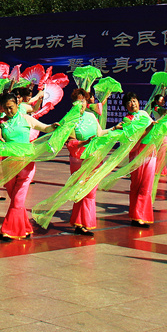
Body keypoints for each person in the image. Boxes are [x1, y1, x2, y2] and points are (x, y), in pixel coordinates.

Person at [0, 96, 55, 240]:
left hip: (26, 164)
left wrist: (54, 127)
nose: (9, 111)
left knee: (18, 200)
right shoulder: (1, 122)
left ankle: (8, 230)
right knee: (15, 199)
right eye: (6, 108)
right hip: (8, 164)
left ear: (17, 104)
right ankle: (25, 228)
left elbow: (44, 127)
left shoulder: (26, 119)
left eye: (11, 107)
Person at [67, 89, 103, 236]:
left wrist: (115, 129)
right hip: (78, 159)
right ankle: (82, 224)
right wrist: (84, 142)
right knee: (81, 191)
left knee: (91, 192)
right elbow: (70, 143)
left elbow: (100, 133)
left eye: (83, 101)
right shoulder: (70, 119)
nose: (80, 104)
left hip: (93, 157)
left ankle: (81, 222)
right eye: (77, 101)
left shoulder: (92, 116)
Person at [119, 93, 156, 227]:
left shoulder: (144, 114)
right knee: (138, 184)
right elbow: (136, 137)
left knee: (147, 185)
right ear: (125, 106)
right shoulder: (127, 120)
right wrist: (150, 128)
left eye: (134, 100)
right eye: (129, 102)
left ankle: (140, 215)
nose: (132, 103)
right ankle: (136, 216)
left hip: (151, 150)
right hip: (138, 152)